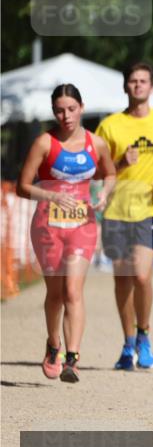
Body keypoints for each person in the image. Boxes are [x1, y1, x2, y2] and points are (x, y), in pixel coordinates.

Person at [16, 84, 116, 382]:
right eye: (60, 111)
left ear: (81, 108)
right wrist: (51, 195)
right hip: (48, 227)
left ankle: (72, 358)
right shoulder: (44, 143)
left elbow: (110, 173)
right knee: (56, 293)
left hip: (82, 226)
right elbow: (22, 187)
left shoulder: (96, 143)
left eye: (72, 109)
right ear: (53, 112)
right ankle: (53, 344)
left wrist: (104, 193)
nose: (66, 116)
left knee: (73, 290)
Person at [96, 62, 153, 371]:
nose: (138, 85)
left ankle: (144, 335)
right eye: (133, 81)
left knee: (141, 274)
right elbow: (97, 169)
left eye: (143, 81)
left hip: (151, 208)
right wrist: (120, 163)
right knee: (122, 279)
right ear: (125, 86)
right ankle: (127, 343)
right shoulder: (110, 126)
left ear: (152, 87)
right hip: (117, 210)